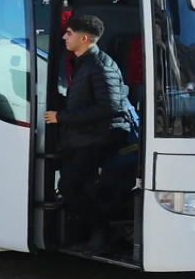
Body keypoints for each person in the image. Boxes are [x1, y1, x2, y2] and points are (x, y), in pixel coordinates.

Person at [43, 15, 132, 254]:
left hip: (103, 137)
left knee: (69, 186)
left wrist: (61, 117)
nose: (64, 36)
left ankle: (102, 232)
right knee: (76, 183)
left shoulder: (100, 65)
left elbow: (109, 107)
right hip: (87, 136)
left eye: (69, 33)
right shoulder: (85, 61)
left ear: (84, 38)